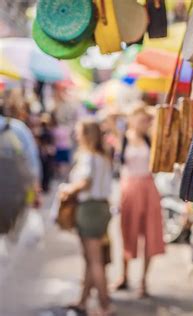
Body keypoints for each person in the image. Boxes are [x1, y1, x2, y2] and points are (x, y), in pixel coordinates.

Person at [60, 119, 113, 315]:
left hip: (90, 209)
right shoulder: (103, 155)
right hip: (100, 208)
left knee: (94, 260)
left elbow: (85, 182)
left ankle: (105, 305)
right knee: (92, 260)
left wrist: (67, 190)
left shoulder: (89, 157)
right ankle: (83, 301)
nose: (76, 135)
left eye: (79, 132)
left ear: (87, 135)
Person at [115, 105, 165, 296]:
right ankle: (124, 276)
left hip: (148, 188)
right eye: (142, 119)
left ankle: (143, 281)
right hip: (129, 189)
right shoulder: (123, 138)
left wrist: (149, 116)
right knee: (128, 231)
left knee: (150, 234)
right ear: (132, 118)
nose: (146, 123)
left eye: (147, 120)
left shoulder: (149, 138)